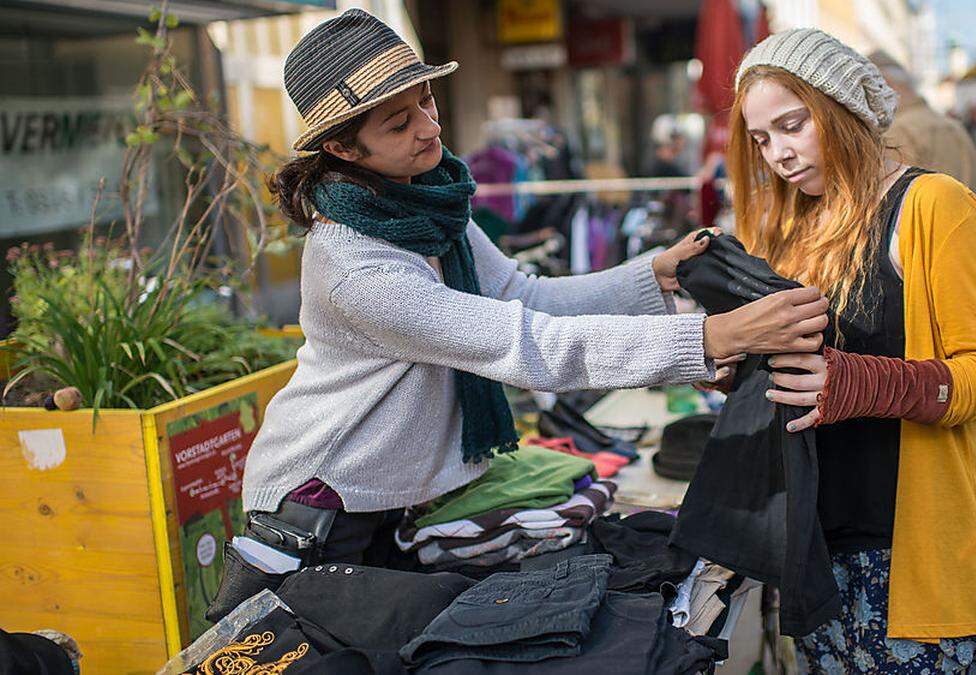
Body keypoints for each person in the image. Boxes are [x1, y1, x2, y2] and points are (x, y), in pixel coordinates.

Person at [206, 9, 831, 619]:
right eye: (399, 123)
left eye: (427, 101)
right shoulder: (356, 265)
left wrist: (652, 274)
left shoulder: (429, 210)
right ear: (343, 147)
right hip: (320, 511)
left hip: (393, 500)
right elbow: (526, 344)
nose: (428, 127)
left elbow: (522, 298)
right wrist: (710, 336)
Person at [715, 29, 976, 670]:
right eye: (762, 139)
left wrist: (856, 383)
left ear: (842, 105)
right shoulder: (795, 226)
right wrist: (739, 370)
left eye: (793, 125)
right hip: (820, 553)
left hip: (916, 558)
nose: (779, 154)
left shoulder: (934, 205)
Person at [867, 50, 976, 219]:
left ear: (886, 85)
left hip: (934, 241)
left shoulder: (897, 133)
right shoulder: (954, 126)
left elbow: (893, 215)